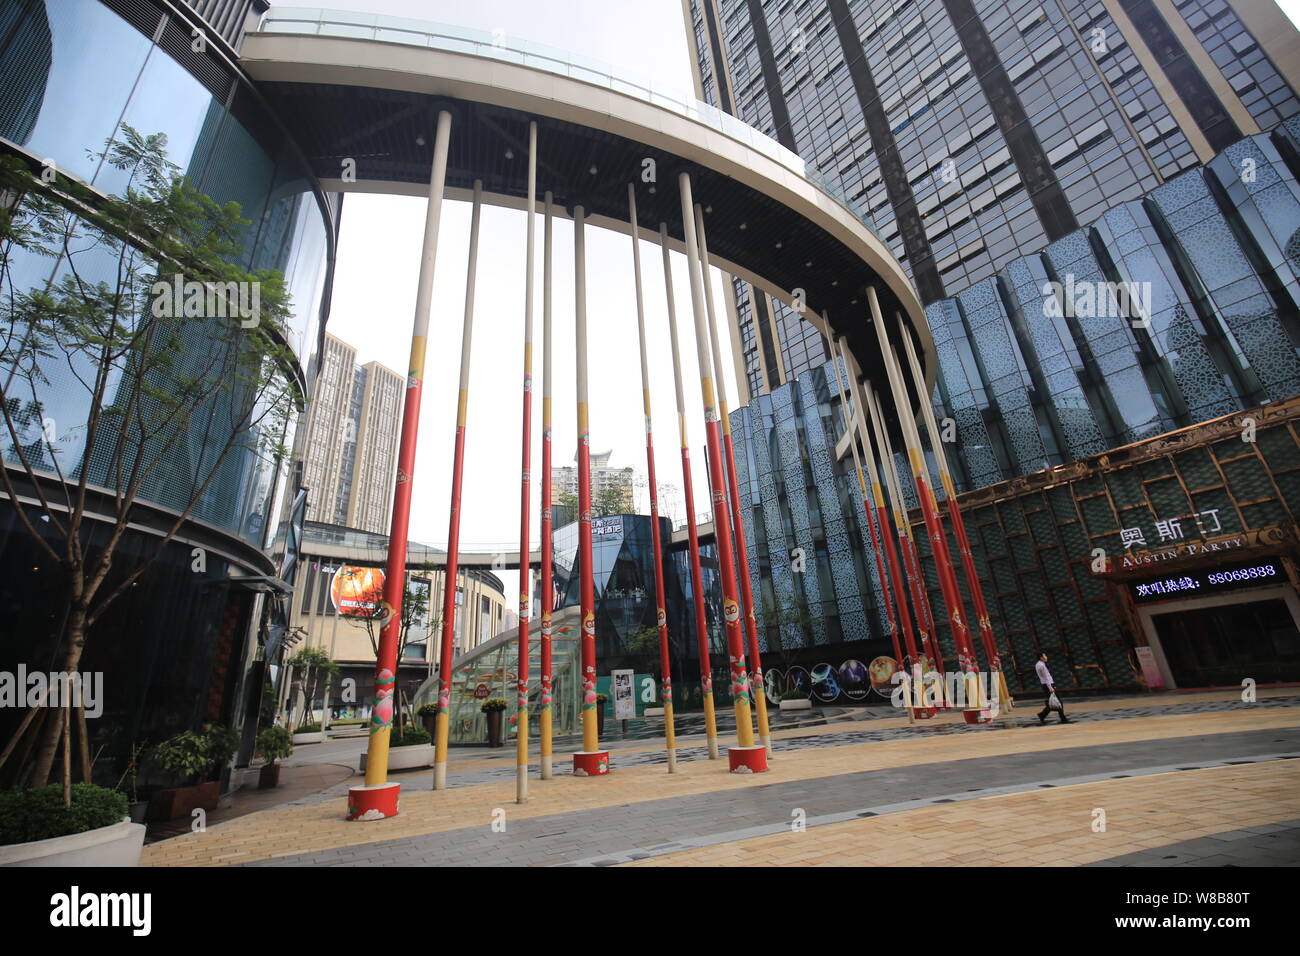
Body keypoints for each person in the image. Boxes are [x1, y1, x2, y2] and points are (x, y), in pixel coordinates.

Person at [1035, 652, 1071, 725]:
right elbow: (1046, 677)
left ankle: (1042, 715)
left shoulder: (1038, 664)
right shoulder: (1041, 665)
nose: (1046, 657)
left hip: (1045, 685)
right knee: (1058, 702)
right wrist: (1050, 687)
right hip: (1048, 685)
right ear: (1041, 657)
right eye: (1045, 655)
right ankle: (1063, 718)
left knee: (1052, 702)